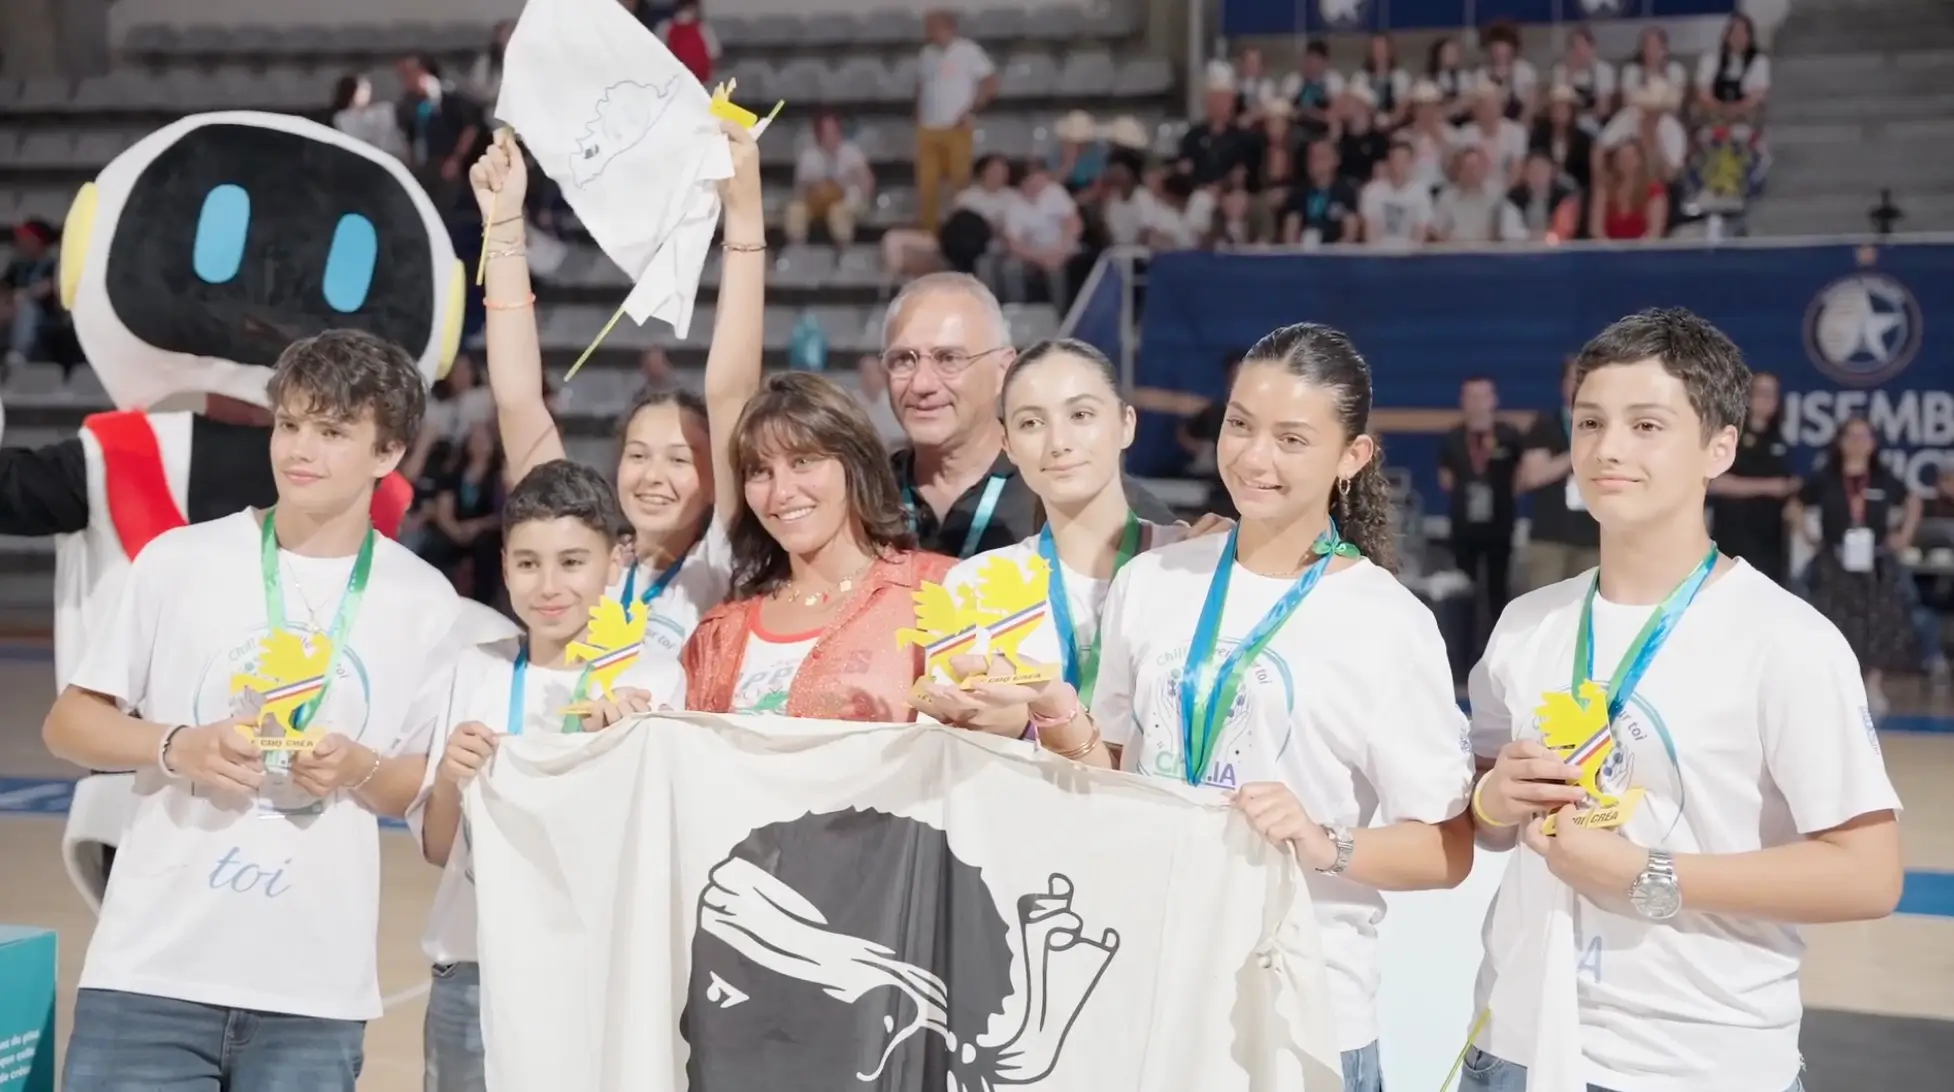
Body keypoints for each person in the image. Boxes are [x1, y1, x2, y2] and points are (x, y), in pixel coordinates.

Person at [953, 324, 1475, 1092]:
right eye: (1240, 424)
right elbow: (1124, 771)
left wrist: (1322, 839)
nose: (1254, 457)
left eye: (1292, 439)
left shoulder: (1385, 621)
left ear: (1351, 458)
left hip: (1301, 1010)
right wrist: (1060, 715)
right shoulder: (1157, 582)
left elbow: (1448, 849)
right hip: (1151, 985)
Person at [1462, 309, 1902, 1092]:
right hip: (1517, 1045)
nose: (1610, 449)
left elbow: (1868, 875)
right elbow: (1484, 811)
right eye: (1590, 421)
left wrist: (1648, 871)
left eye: (1647, 424)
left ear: (1719, 448)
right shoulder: (1527, 624)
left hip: (1695, 1063)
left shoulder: (1786, 639)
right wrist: (1493, 799)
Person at [41, 330, 467, 1091]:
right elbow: (70, 723)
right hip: (150, 975)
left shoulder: (423, 600)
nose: (300, 449)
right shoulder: (180, 560)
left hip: (311, 992)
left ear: (388, 453)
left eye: (333, 432)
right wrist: (178, 745)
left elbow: (416, 792)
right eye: (291, 424)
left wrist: (359, 766)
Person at [412, 458, 686, 1092]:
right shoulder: (475, 671)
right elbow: (435, 847)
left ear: (615, 562)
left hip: (592, 968)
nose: (548, 585)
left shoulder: (653, 679)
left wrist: (626, 753)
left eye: (572, 562)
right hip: (475, 965)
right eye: (529, 563)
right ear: (505, 564)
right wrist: (451, 777)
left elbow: (657, 846)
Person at [469, 120, 766, 661]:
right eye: (638, 455)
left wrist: (744, 215)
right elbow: (518, 402)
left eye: (681, 459)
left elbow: (731, 389)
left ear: (713, 479)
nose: (654, 476)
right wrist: (505, 229)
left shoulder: (718, 561)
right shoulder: (582, 554)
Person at [912, 339, 1190, 734]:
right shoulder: (973, 587)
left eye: (1081, 414)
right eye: (1031, 423)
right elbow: (944, 747)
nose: (1058, 443)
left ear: (1126, 423)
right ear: (1007, 444)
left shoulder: (1191, 565)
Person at [680, 372, 956, 720]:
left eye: (803, 462)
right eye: (760, 472)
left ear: (855, 464)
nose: (781, 493)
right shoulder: (720, 632)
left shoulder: (938, 589)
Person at [881, 273, 1176, 559]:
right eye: (903, 360)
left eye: (948, 359)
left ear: (1003, 369)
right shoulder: (862, 494)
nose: (922, 384)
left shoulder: (1080, 490)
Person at [1792, 415, 1922, 721]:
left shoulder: (1883, 477)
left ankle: (1873, 685)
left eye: (1864, 437)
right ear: (1840, 441)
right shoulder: (1826, 477)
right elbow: (1795, 504)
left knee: (1878, 620)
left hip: (1875, 560)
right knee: (1833, 618)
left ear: (1873, 443)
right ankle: (1834, 684)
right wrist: (1808, 534)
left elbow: (1913, 500)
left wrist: (1904, 535)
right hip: (1835, 559)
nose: (1858, 443)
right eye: (1851, 436)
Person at [1438, 375, 1523, 658]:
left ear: (1493, 399)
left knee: (1499, 593)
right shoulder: (1453, 437)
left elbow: (1521, 476)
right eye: (1470, 396)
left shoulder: (1509, 435)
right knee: (1464, 592)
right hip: (1464, 529)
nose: (1476, 403)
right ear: (1462, 401)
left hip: (1500, 526)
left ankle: (1500, 655)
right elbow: (1446, 479)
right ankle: (1463, 657)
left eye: (1482, 396)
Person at [1516, 357, 1600, 590]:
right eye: (1574, 378)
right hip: (1550, 539)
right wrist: (1575, 454)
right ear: (1563, 384)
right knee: (1545, 612)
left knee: (1586, 612)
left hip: (1595, 539)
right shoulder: (1546, 426)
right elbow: (1532, 477)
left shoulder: (1608, 427)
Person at [1706, 369, 1797, 585]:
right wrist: (1768, 487)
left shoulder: (1780, 439)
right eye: (1761, 392)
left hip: (1772, 544)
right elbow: (1715, 483)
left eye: (1771, 394)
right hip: (1733, 539)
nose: (1766, 399)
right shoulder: (1727, 437)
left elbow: (1787, 483)